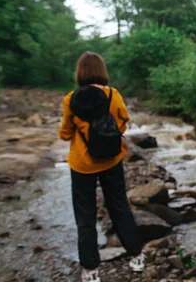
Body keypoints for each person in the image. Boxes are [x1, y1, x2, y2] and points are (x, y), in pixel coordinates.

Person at [59, 52, 144, 282]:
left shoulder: (70, 99)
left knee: (85, 215)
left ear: (80, 72)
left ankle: (91, 270)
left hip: (81, 165)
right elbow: (123, 124)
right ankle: (136, 256)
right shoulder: (113, 95)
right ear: (101, 70)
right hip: (111, 160)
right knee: (119, 206)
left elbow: (65, 134)